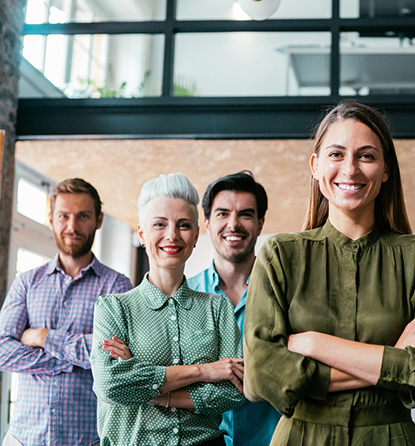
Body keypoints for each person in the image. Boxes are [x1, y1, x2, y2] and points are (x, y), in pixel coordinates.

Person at [244, 99, 415, 445]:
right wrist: (397, 355)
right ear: (315, 166)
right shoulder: (279, 255)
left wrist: (315, 344)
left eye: (366, 155)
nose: (350, 170)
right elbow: (262, 376)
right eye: (336, 154)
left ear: (386, 169)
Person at [90, 173, 245, 445]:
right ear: (142, 232)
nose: (172, 235)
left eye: (183, 225)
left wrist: (151, 389)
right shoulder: (113, 309)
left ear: (196, 236)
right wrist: (205, 371)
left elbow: (235, 391)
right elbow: (110, 385)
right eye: (159, 224)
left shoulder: (216, 306)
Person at [0, 178, 133, 446]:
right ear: (51, 219)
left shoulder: (117, 286)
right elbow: (2, 350)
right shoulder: (27, 282)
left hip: (87, 440)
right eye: (64, 216)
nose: (72, 227)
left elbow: (113, 357)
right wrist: (73, 361)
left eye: (83, 216)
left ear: (98, 220)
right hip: (23, 439)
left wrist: (44, 337)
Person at [188, 171, 281, 446]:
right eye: (222, 213)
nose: (233, 224)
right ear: (206, 223)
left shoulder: (284, 294)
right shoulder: (183, 296)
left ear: (260, 223)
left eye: (245, 214)